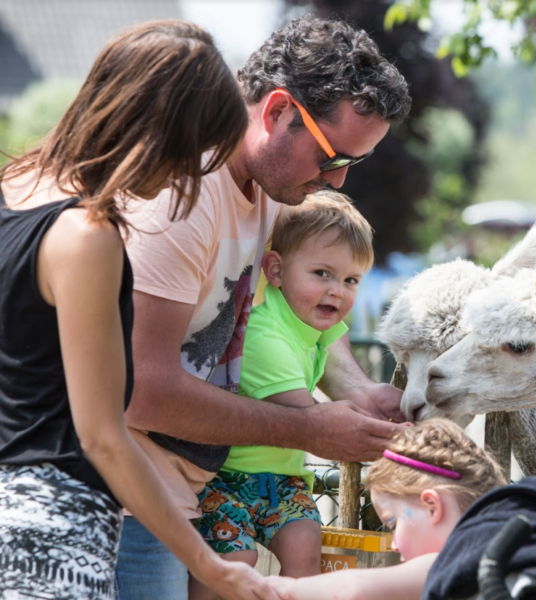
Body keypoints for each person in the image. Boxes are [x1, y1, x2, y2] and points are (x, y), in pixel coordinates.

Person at [117, 14, 413, 599]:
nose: (339, 180)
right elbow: (140, 389)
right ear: (277, 111)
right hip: (124, 506)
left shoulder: (275, 197)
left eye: (356, 162)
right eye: (331, 156)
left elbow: (303, 318)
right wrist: (310, 430)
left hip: (181, 499)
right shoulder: (180, 202)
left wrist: (358, 395)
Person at [0, 20, 274, 600]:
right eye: (193, 156)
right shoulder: (86, 237)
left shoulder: (10, 189)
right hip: (55, 537)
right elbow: (102, 437)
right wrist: (214, 565)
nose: (189, 180)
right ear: (162, 134)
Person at [189, 190, 375, 598]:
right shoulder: (265, 333)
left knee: (305, 544)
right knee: (232, 562)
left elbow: (358, 392)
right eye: (322, 274)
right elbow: (311, 421)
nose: (337, 291)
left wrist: (382, 404)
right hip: (227, 476)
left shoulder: (316, 325)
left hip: (286, 479)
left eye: (350, 280)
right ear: (275, 271)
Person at [261, 419, 507, 600]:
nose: (394, 545)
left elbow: (351, 589)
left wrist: (275, 587)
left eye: (394, 523)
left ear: (432, 507)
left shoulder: (460, 558)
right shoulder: (506, 548)